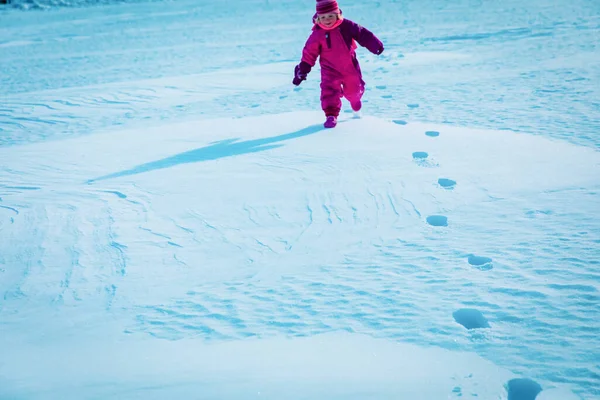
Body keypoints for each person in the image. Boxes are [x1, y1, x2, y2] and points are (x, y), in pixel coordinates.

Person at [293, 0, 384, 128]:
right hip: (329, 70)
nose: (327, 19)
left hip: (349, 68)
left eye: (331, 15)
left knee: (354, 91)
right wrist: (303, 69)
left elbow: (362, 33)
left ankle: (355, 101)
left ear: (337, 14)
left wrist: (375, 45)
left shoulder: (347, 25)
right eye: (323, 17)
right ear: (318, 17)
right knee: (329, 91)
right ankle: (331, 115)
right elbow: (309, 52)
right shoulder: (317, 33)